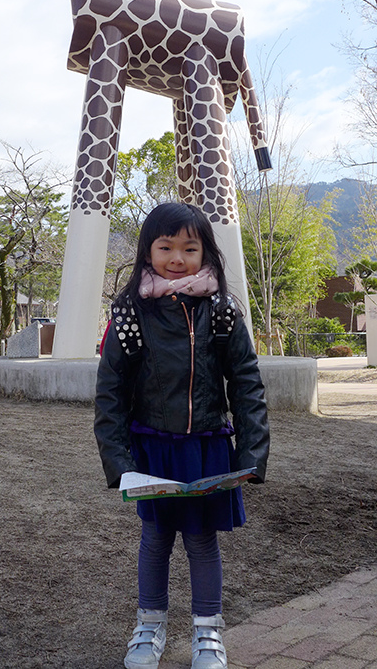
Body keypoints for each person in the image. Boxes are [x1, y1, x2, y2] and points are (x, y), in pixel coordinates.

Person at [94, 202, 269, 669]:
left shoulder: (224, 310)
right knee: (155, 538)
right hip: (153, 448)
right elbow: (110, 392)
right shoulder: (132, 311)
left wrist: (252, 454)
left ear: (205, 251)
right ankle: (148, 625)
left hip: (208, 448)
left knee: (201, 540)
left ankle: (207, 633)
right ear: (147, 251)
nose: (177, 258)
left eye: (189, 248)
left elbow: (246, 384)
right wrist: (119, 463)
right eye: (165, 246)